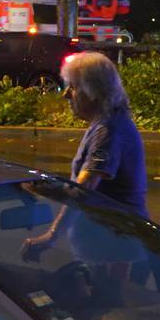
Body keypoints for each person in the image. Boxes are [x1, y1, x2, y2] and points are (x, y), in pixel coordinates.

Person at [22, 50, 148, 260]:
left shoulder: (108, 131)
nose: (65, 94)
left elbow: (82, 190)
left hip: (114, 254)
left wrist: (50, 236)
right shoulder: (105, 124)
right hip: (108, 249)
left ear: (94, 91)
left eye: (73, 87)